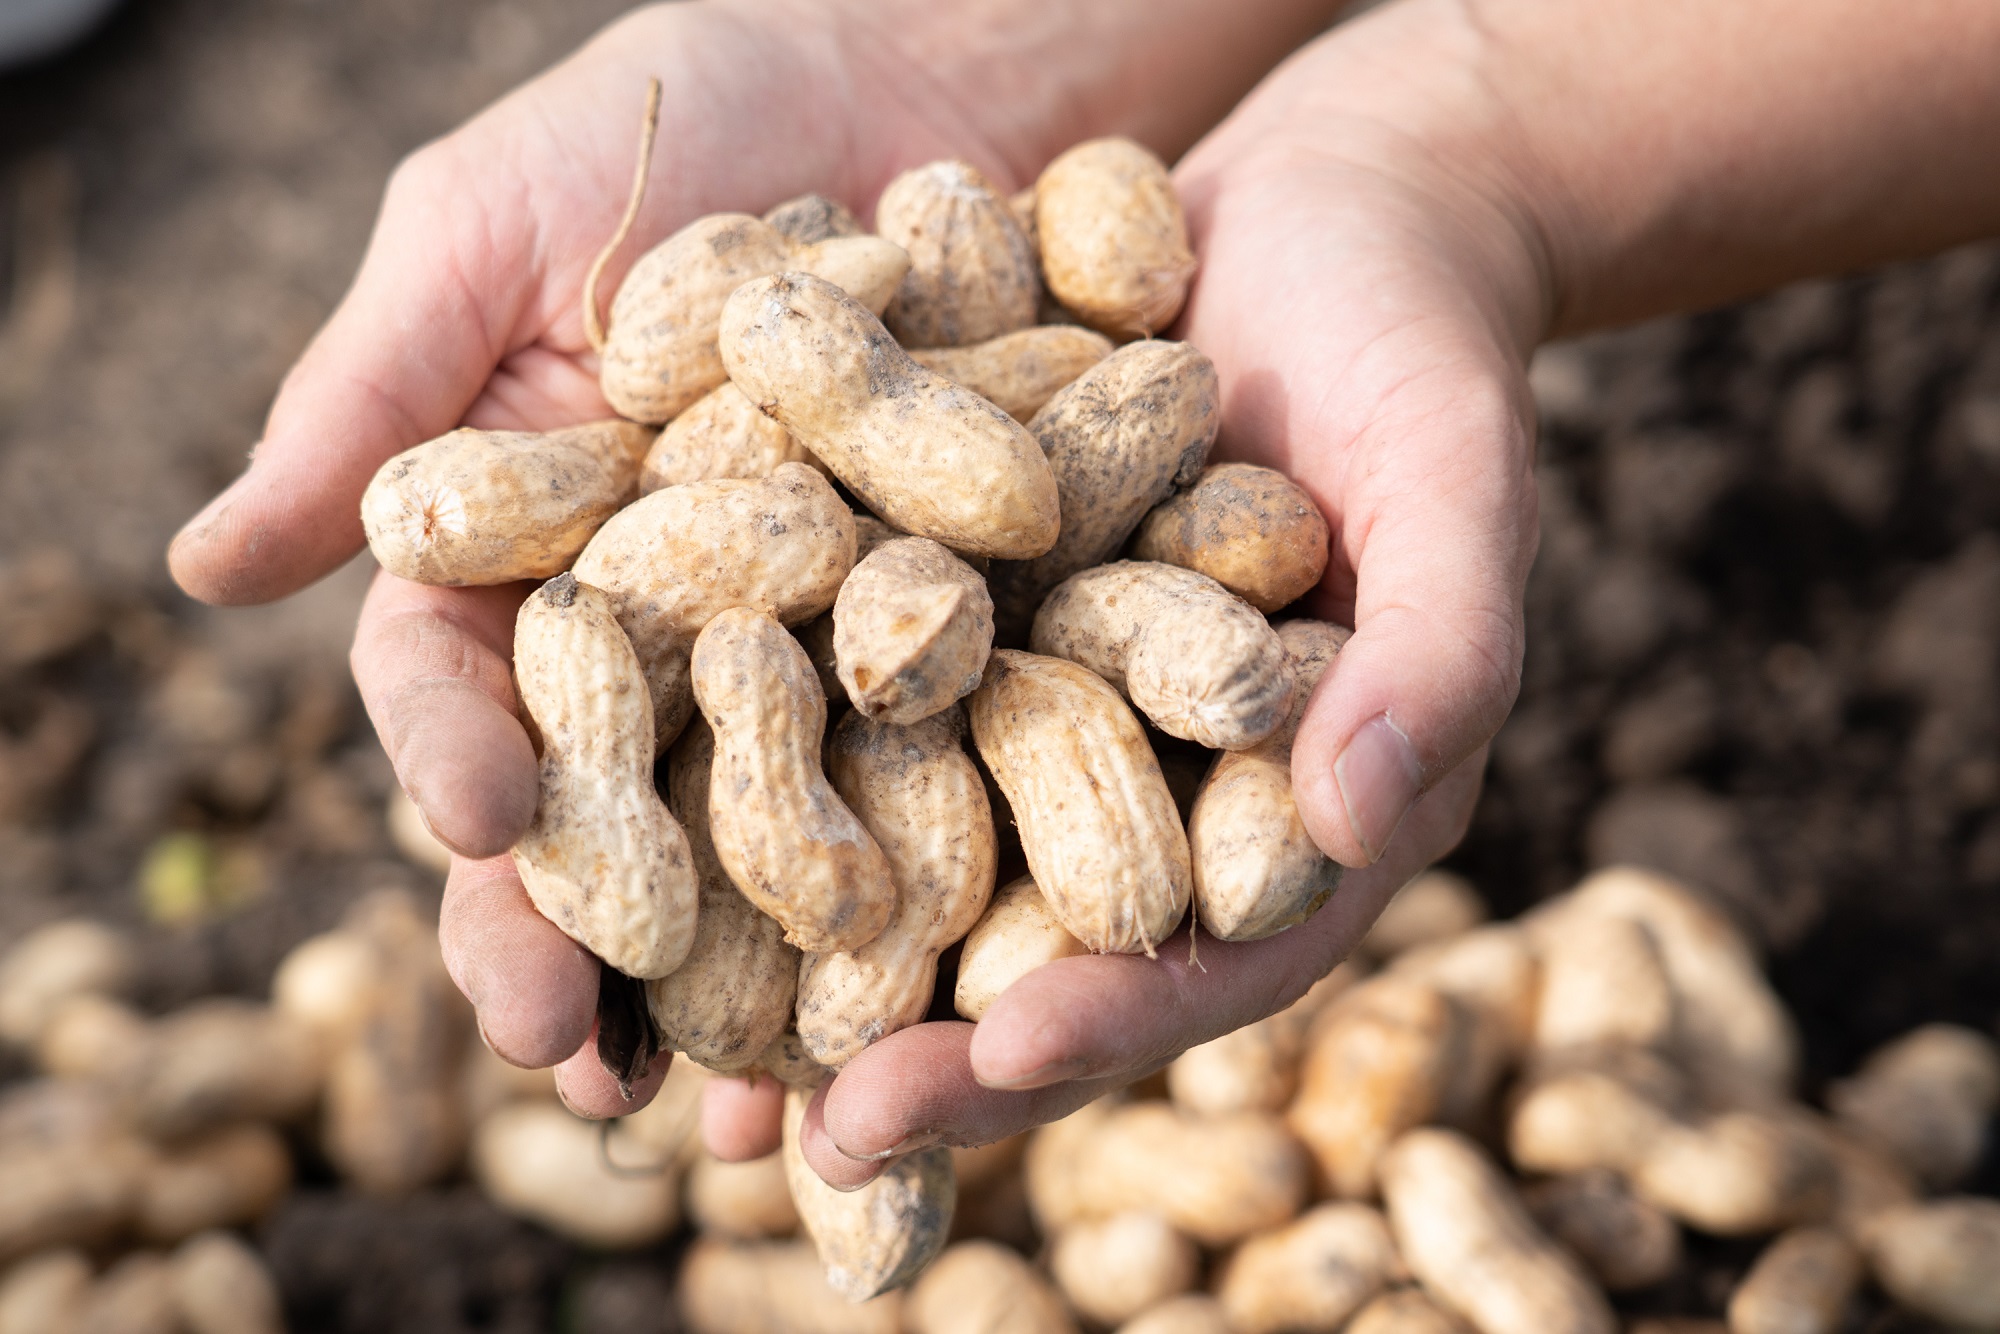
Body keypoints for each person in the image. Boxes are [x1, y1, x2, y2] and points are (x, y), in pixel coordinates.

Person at [167, 0, 2000, 1189]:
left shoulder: (941, 471)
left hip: (946, 551)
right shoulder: (752, 495)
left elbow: (978, 517)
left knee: (928, 623)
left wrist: (1459, 157)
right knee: (786, 680)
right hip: (850, 561)